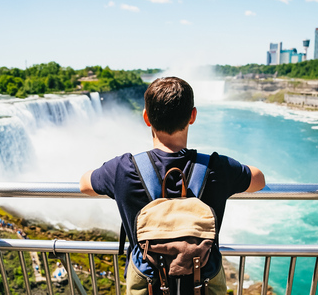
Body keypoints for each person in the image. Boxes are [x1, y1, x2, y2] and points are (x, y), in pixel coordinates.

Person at [80, 76, 265, 293]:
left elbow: (85, 184)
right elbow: (259, 179)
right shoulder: (216, 167)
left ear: (146, 117)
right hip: (201, 285)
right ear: (192, 116)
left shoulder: (123, 168)